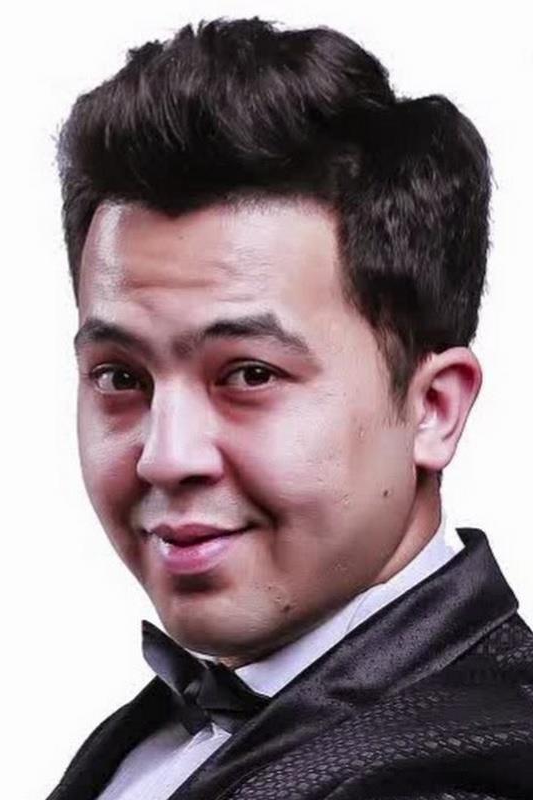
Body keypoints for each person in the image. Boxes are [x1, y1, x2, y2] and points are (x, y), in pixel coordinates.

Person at [47, 18, 533, 800]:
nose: (166, 456)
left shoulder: (473, 775)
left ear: (434, 409)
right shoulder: (149, 737)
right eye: (119, 377)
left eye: (248, 374)